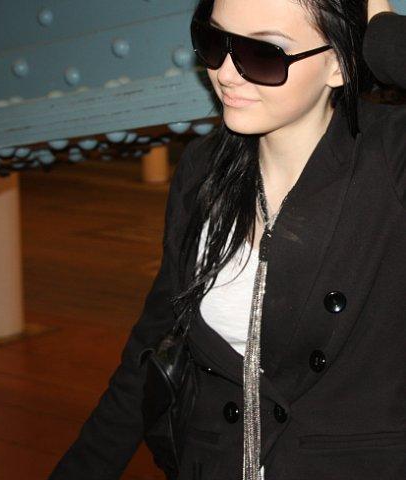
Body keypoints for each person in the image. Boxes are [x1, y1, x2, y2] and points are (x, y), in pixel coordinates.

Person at [48, 0, 405, 478]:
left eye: (263, 54)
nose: (226, 74)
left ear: (338, 64)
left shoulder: (389, 164)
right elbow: (154, 343)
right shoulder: (204, 170)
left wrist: (380, 31)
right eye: (215, 42)